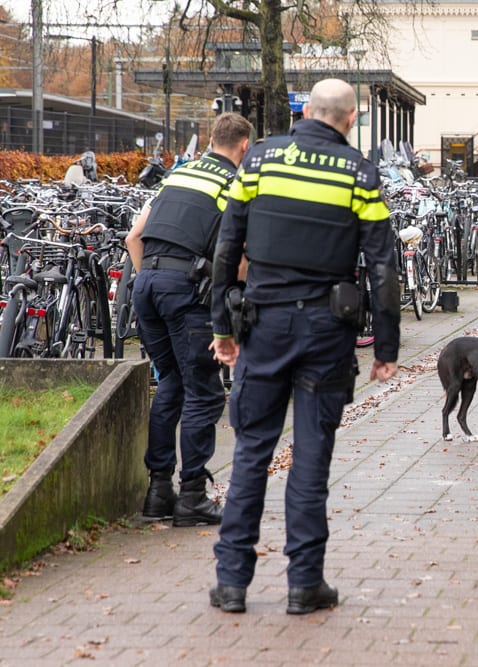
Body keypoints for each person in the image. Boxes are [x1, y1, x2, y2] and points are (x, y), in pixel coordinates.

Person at [207, 78, 400, 615]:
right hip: (326, 331)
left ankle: (231, 583)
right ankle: (304, 584)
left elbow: (228, 246)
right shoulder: (360, 173)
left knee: (249, 453)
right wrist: (385, 348)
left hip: (262, 325)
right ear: (350, 118)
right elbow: (383, 267)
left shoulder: (261, 159)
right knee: (311, 458)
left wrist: (222, 328)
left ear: (306, 111)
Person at [125, 112, 253, 527]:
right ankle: (193, 495)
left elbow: (133, 237)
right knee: (205, 394)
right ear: (244, 146)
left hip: (145, 288)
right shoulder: (235, 185)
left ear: (210, 139)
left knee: (171, 384)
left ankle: (158, 491)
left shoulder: (178, 175)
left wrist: (153, 280)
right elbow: (240, 262)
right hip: (185, 295)